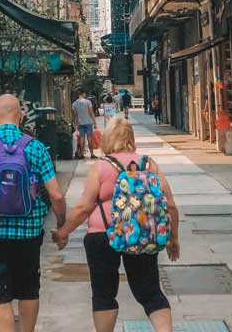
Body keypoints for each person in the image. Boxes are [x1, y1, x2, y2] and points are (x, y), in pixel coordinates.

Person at [53, 118, 178, 332]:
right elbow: (171, 206)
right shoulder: (149, 164)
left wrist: (63, 231)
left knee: (104, 294)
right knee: (150, 293)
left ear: (108, 139)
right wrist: (173, 238)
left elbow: (84, 207)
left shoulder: (101, 167)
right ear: (131, 138)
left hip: (102, 235)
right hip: (141, 234)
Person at [0, 94, 67, 332]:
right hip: (29, 231)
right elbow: (57, 195)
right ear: (21, 116)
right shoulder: (36, 147)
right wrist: (62, 225)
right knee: (29, 287)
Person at [72, 89, 96, 158]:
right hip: (88, 122)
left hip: (80, 123)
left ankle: (81, 154)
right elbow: (91, 113)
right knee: (89, 138)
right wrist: (95, 123)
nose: (85, 95)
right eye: (85, 93)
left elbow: (75, 116)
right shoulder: (88, 102)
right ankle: (92, 154)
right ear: (82, 94)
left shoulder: (74, 104)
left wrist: (75, 124)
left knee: (82, 138)